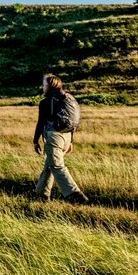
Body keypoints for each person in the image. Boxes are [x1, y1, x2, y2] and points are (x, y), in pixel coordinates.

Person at [33, 74, 89, 203]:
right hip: (67, 136)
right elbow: (73, 121)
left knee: (57, 166)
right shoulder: (69, 98)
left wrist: (35, 141)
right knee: (49, 165)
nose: (43, 87)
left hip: (54, 137)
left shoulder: (46, 102)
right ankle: (41, 195)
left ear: (49, 85)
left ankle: (76, 194)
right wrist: (71, 141)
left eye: (44, 85)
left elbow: (41, 122)